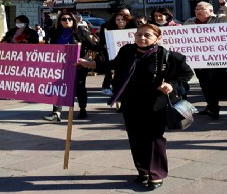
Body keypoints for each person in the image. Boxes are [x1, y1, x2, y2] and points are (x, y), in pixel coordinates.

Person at [76, 24, 194, 190]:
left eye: (147, 35)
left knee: (154, 138)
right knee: (136, 137)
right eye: (139, 35)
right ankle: (143, 171)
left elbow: (187, 74)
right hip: (131, 101)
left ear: (158, 38)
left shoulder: (169, 56)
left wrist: (171, 85)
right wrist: (90, 64)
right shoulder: (127, 51)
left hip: (156, 103)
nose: (142, 38)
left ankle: (156, 174)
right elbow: (114, 64)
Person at [183, 0, 227, 119]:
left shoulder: (219, 19)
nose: (198, 11)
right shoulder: (189, 22)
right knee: (204, 83)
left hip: (216, 58)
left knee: (213, 82)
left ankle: (214, 107)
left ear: (210, 11)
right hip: (199, 59)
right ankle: (210, 105)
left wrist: (224, 4)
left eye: (201, 9)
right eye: (196, 9)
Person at [43, 13, 102, 121]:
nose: (67, 21)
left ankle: (82, 109)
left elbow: (94, 46)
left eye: (69, 19)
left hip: (78, 65)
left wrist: (106, 40)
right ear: (60, 21)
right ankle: (56, 113)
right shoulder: (55, 33)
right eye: (64, 19)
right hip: (61, 65)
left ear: (74, 20)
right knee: (59, 87)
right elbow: (51, 48)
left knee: (80, 88)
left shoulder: (81, 32)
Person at [98, 11, 137, 95]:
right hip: (115, 58)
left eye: (122, 19)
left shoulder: (133, 32)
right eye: (118, 20)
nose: (120, 21)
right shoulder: (110, 32)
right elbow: (101, 43)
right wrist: (105, 45)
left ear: (127, 20)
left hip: (130, 58)